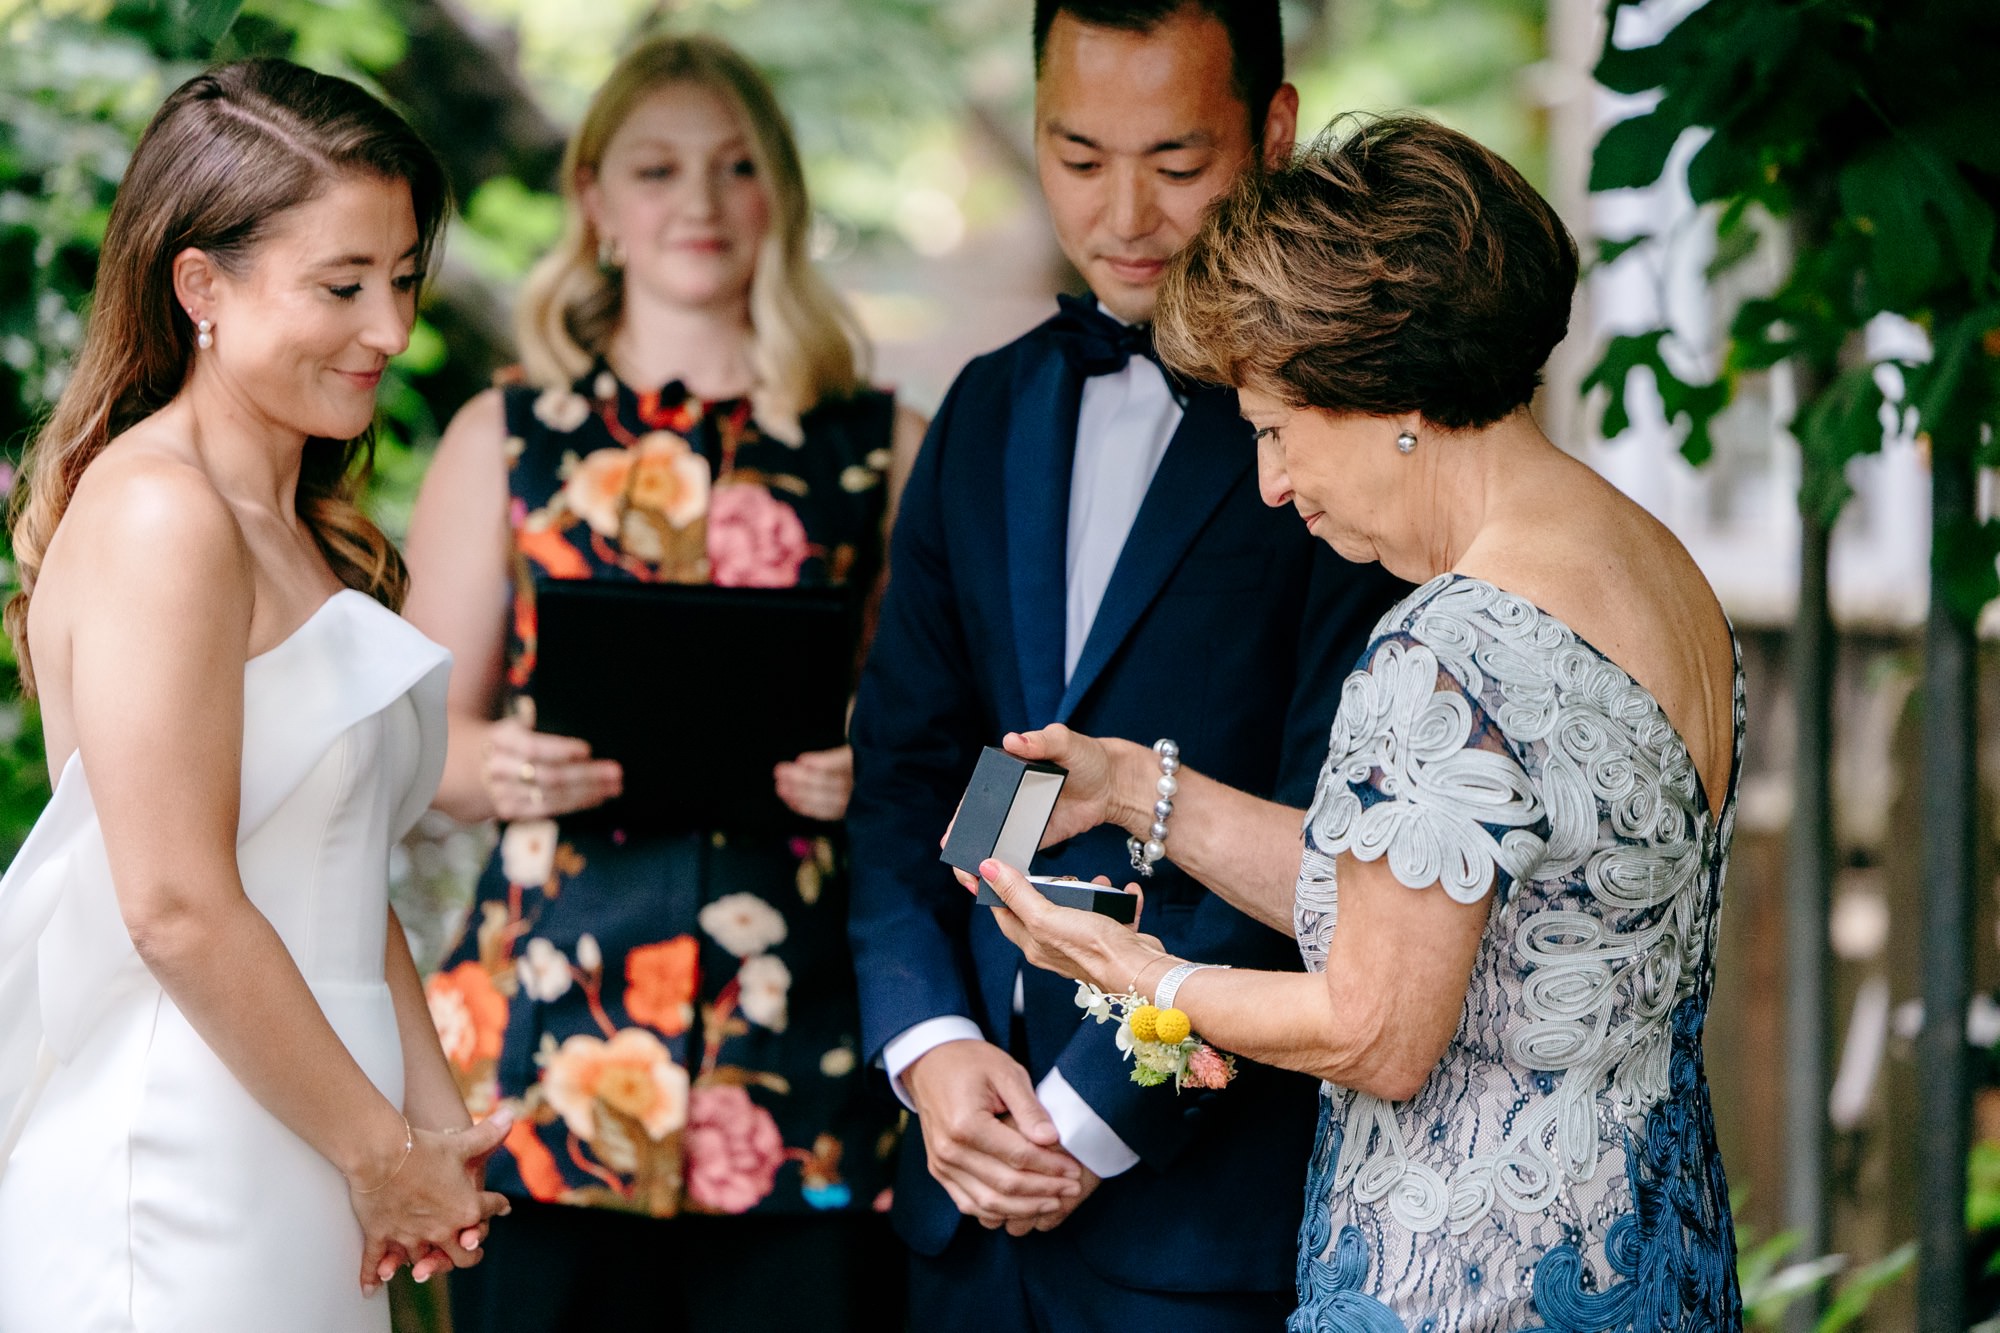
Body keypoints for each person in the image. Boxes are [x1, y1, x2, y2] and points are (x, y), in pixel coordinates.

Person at [977, 114, 1746, 1329]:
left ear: (1382, 389)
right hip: (1646, 1254)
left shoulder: (1444, 644)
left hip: (1468, 1280)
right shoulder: (1648, 564)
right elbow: (1429, 903)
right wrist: (1136, 790)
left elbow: (1374, 1028)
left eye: (1277, 432)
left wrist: (1134, 974)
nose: (1273, 484)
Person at [846, 2, 1409, 1327]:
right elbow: (922, 772)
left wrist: (1088, 1118)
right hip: (962, 1196)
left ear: (1272, 130)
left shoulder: (1344, 445)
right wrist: (934, 1051)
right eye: (1079, 158)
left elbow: (1331, 832)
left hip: (1207, 1215)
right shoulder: (988, 406)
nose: (1124, 215)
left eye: (1175, 161)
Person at [403, 33, 924, 1332]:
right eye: (657, 168)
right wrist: (499, 763)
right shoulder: (507, 437)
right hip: (545, 1059)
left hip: (804, 1061)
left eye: (737, 167)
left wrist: (872, 770)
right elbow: (413, 753)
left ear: (782, 200)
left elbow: (948, 743)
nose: (699, 202)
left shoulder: (882, 447)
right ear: (594, 199)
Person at [0, 59, 512, 1333]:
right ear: (201, 287)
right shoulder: (162, 513)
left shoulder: (304, 531)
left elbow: (335, 874)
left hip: (313, 1135)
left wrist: (431, 1124)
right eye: (341, 286)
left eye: (401, 279)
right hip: (180, 1154)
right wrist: (376, 1151)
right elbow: (173, 901)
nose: (389, 331)